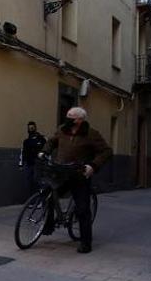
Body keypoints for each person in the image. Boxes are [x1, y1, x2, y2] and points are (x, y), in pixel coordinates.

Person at [43, 107, 112, 254]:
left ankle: (85, 243)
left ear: (80, 120)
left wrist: (93, 165)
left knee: (82, 209)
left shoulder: (91, 134)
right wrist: (45, 151)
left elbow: (106, 151)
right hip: (61, 172)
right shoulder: (62, 129)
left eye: (71, 117)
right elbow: (52, 141)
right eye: (67, 116)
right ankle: (48, 224)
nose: (68, 119)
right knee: (49, 195)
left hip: (79, 175)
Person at [18, 121, 46, 200]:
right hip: (29, 164)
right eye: (29, 128)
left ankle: (40, 200)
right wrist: (21, 164)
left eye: (32, 128)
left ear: (35, 128)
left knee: (38, 181)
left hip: (39, 164)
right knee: (29, 182)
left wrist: (46, 162)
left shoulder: (42, 139)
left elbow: (47, 150)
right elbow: (23, 152)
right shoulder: (26, 141)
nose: (31, 129)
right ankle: (32, 201)